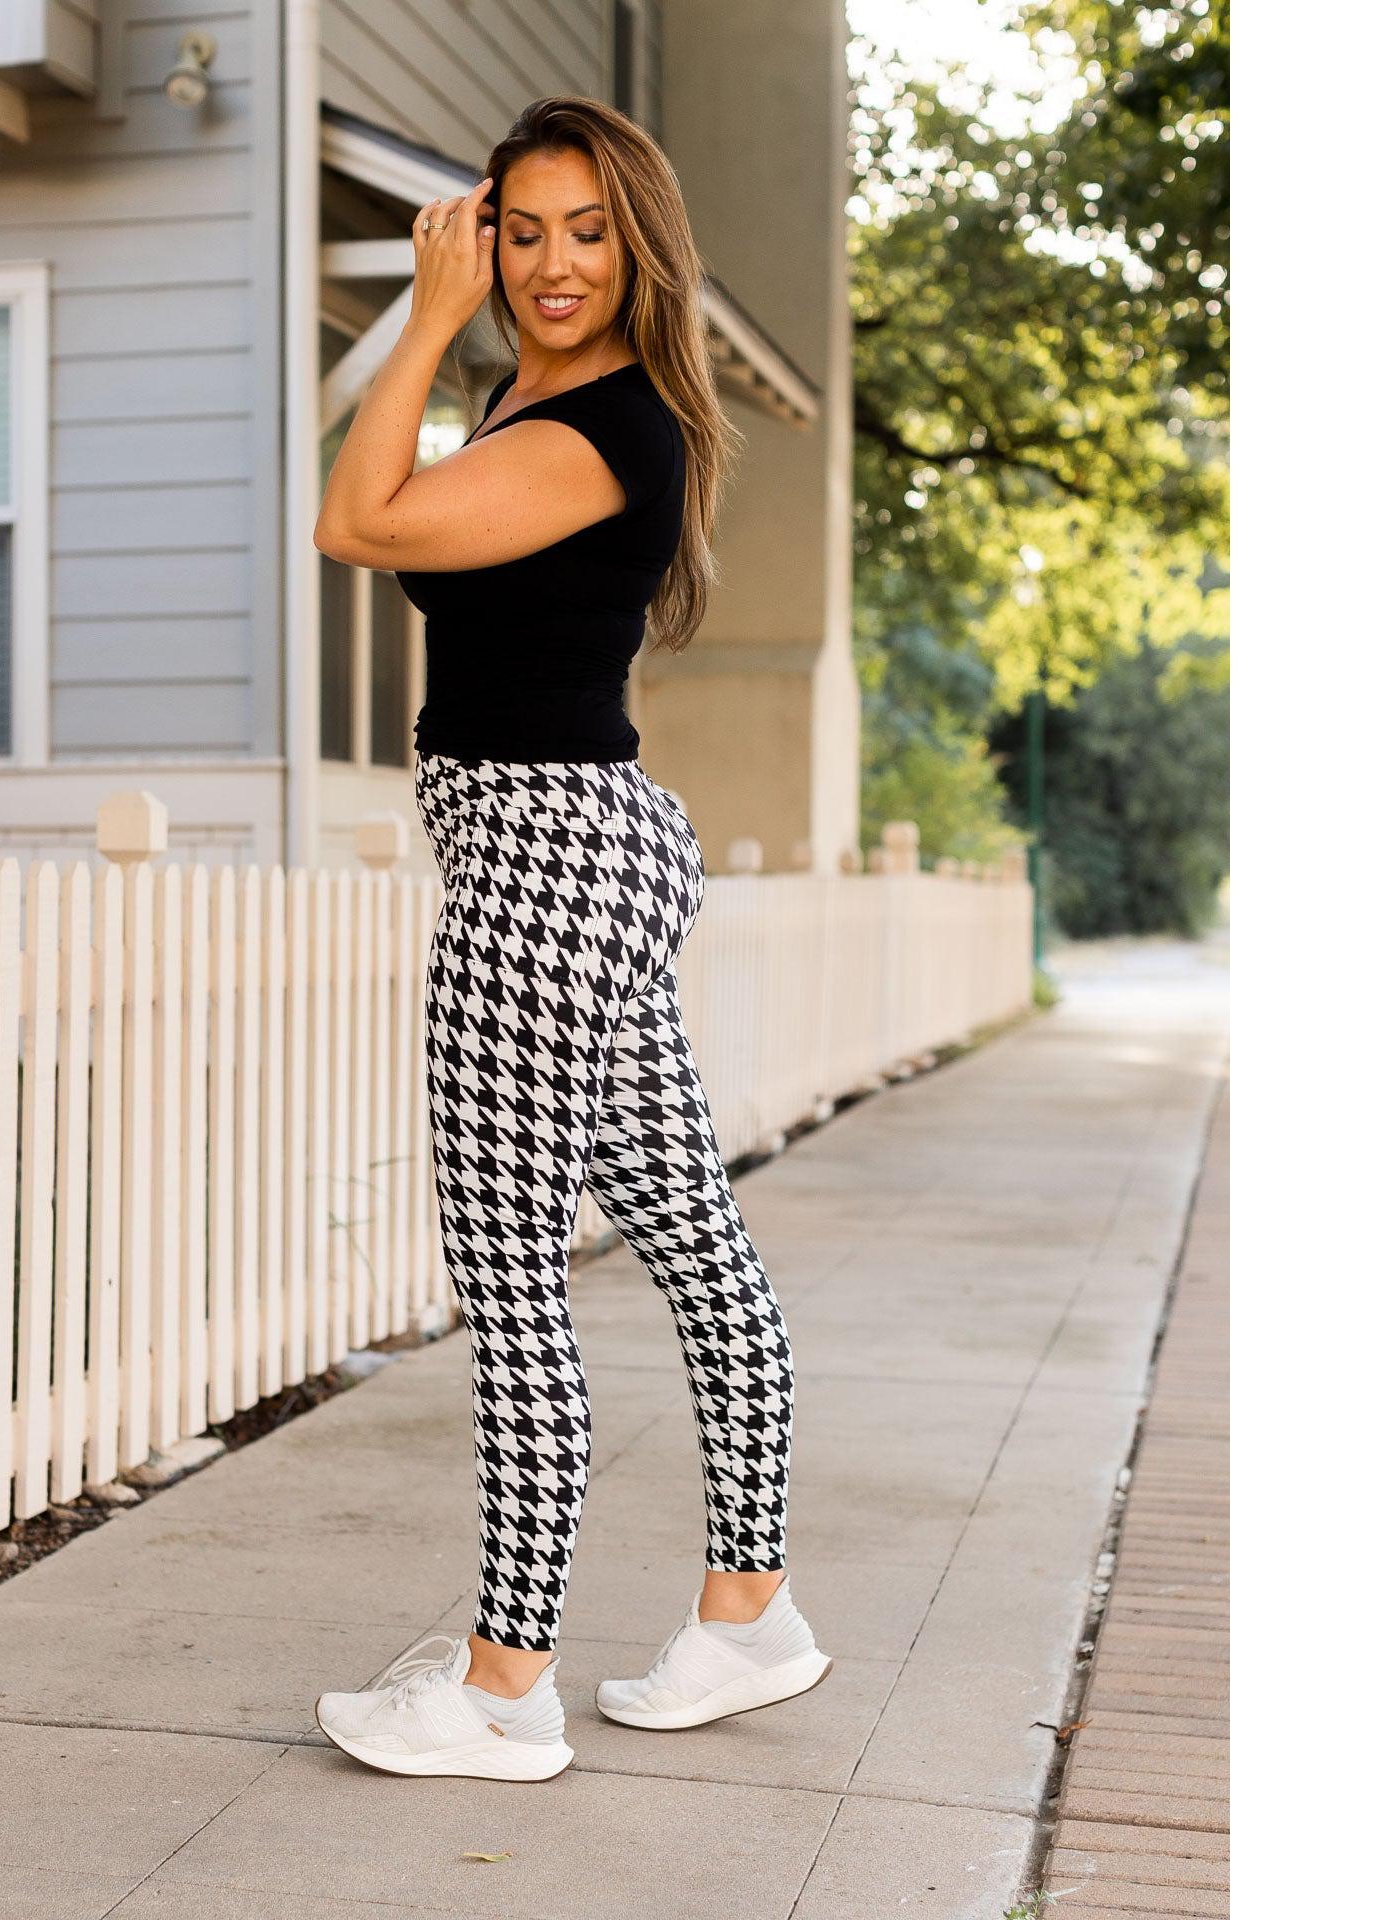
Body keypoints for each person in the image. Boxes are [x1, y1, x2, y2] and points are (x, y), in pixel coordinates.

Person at [310, 96, 829, 1783]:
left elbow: (357, 521)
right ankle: (751, 1614)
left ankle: (504, 1688)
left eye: (588, 231)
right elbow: (405, 517)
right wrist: (453, 343)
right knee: (689, 1241)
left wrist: (426, 313)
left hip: (544, 867)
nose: (552, 264)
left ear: (640, 246)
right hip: (577, 848)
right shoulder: (532, 407)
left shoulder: (604, 424)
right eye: (520, 230)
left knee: (514, 1283)